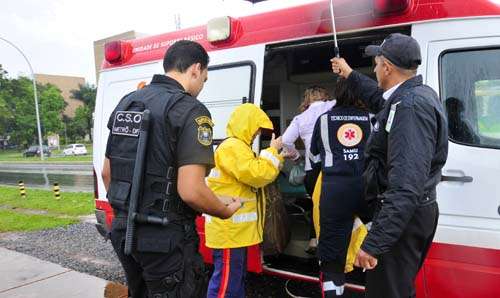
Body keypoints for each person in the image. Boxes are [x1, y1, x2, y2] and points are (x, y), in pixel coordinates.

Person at [101, 40, 241, 298]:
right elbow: (190, 190)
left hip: (123, 233)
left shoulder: (128, 102)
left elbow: (108, 174)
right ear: (196, 69)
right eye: (205, 79)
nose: (201, 86)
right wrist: (222, 210)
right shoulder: (190, 109)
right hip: (165, 239)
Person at [331, 33, 448, 298]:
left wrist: (374, 244)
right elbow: (378, 100)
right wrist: (349, 74)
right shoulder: (412, 95)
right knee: (397, 289)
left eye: (376, 63)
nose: (373, 69)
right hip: (411, 214)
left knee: (387, 292)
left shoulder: (410, 108)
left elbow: (406, 186)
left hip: (403, 217)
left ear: (387, 67)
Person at [205, 103, 284, 298]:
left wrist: (279, 158)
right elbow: (258, 174)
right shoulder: (233, 147)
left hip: (234, 232)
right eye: (256, 129)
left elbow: (257, 170)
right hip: (229, 231)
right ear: (246, 125)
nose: (257, 134)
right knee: (225, 286)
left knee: (234, 281)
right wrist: (273, 151)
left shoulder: (238, 148)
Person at [309, 78, 371, 297]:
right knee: (377, 244)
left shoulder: (324, 120)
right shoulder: (371, 118)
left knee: (331, 256)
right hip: (366, 190)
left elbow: (314, 156)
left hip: (335, 191)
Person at [280, 86, 335, 253]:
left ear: (307, 99)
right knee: (334, 204)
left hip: (312, 169)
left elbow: (286, 141)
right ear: (325, 96)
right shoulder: (333, 106)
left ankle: (313, 240)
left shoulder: (300, 118)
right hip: (333, 166)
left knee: (315, 204)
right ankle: (333, 243)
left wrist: (297, 158)